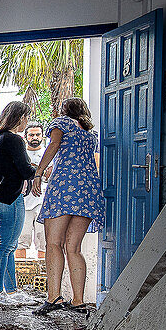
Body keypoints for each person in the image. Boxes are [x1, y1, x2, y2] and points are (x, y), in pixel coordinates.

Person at [32, 98, 103, 315]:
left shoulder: (61, 123)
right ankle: (78, 301)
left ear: (65, 111)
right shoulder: (91, 135)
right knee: (74, 248)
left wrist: (39, 172)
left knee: (53, 243)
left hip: (64, 188)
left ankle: (53, 297)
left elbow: (54, 145)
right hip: (88, 191)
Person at [0, 101, 36, 305]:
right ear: (19, 118)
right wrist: (42, 171)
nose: (26, 122)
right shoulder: (14, 139)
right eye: (26, 117)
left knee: (8, 245)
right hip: (10, 197)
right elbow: (25, 171)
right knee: (5, 246)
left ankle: (10, 290)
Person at [16, 122, 46, 258]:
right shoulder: (21, 154)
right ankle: (20, 277)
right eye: (31, 134)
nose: (35, 137)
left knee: (44, 244)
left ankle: (44, 278)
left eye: (37, 134)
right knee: (21, 242)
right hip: (24, 203)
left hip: (44, 203)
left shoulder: (48, 154)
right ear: (26, 136)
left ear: (42, 136)